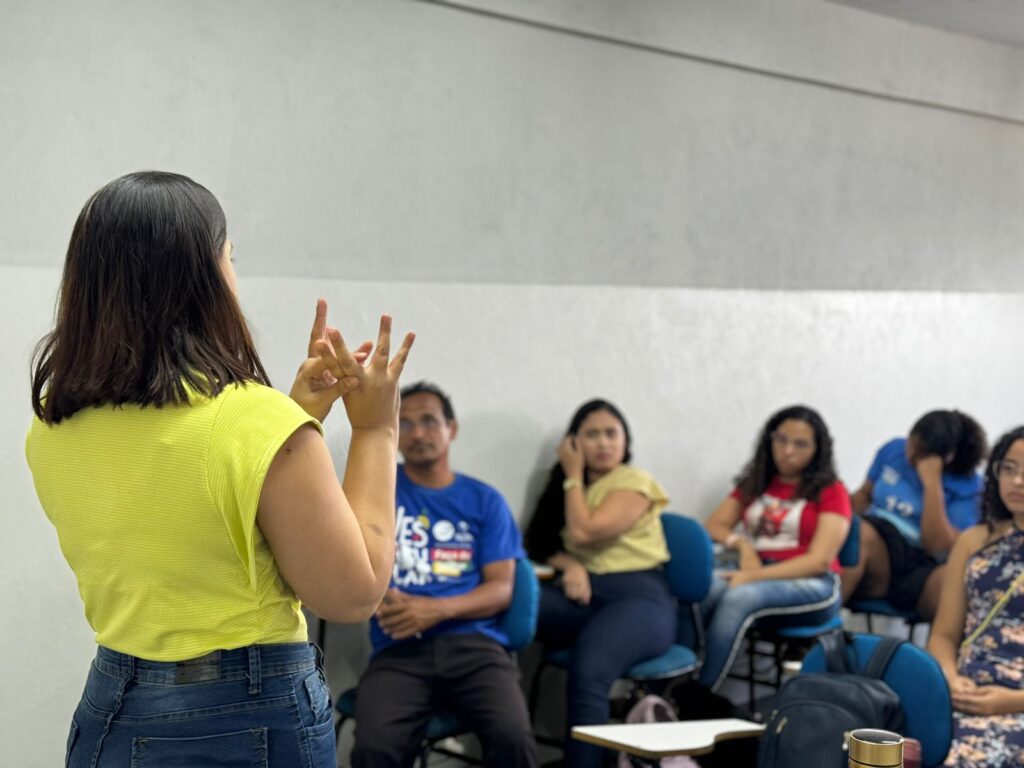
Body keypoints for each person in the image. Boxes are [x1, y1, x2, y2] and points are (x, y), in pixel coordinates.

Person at [25, 171, 414, 767]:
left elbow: (184, 509)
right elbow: (353, 593)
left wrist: (292, 420)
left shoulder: (53, 425)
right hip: (246, 713)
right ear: (203, 277)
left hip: (113, 706)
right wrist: (375, 428)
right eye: (230, 257)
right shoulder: (251, 422)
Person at [351, 382, 538, 768]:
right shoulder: (376, 492)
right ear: (395, 435)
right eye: (406, 423)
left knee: (513, 738)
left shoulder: (484, 500)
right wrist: (377, 595)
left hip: (476, 646)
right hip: (399, 648)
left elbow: (502, 588)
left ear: (451, 429)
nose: (419, 433)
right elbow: (348, 563)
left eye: (429, 422)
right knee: (373, 749)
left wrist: (435, 609)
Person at [526, 399, 675, 768]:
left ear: (626, 440)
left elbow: (585, 530)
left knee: (588, 672)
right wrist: (570, 563)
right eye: (592, 434)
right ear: (574, 441)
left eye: (612, 433)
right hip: (586, 594)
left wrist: (573, 473)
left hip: (640, 598)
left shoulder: (633, 481)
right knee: (513, 608)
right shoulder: (563, 486)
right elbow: (537, 542)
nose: (604, 443)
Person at [701, 405, 851, 692]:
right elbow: (714, 525)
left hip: (812, 584)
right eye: (781, 440)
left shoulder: (832, 491)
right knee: (703, 589)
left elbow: (819, 561)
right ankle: (672, 687)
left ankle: (700, 694)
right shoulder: (758, 482)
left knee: (738, 598)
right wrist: (743, 546)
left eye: (800, 444)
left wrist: (753, 576)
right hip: (758, 569)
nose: (788, 451)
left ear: (817, 449)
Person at [928, 427, 1024, 767]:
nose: (1017, 481)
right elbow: (943, 634)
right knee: (882, 742)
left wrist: (1011, 702)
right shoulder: (974, 541)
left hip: (1015, 703)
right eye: (1008, 468)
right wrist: (948, 678)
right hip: (963, 689)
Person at [841, 410, 986, 621]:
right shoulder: (893, 450)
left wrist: (932, 483)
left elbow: (937, 546)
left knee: (958, 585)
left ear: (946, 458)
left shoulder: (970, 488)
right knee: (857, 535)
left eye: (920, 453)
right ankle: (814, 636)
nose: (909, 456)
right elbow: (864, 496)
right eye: (911, 444)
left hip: (922, 563)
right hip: (878, 546)